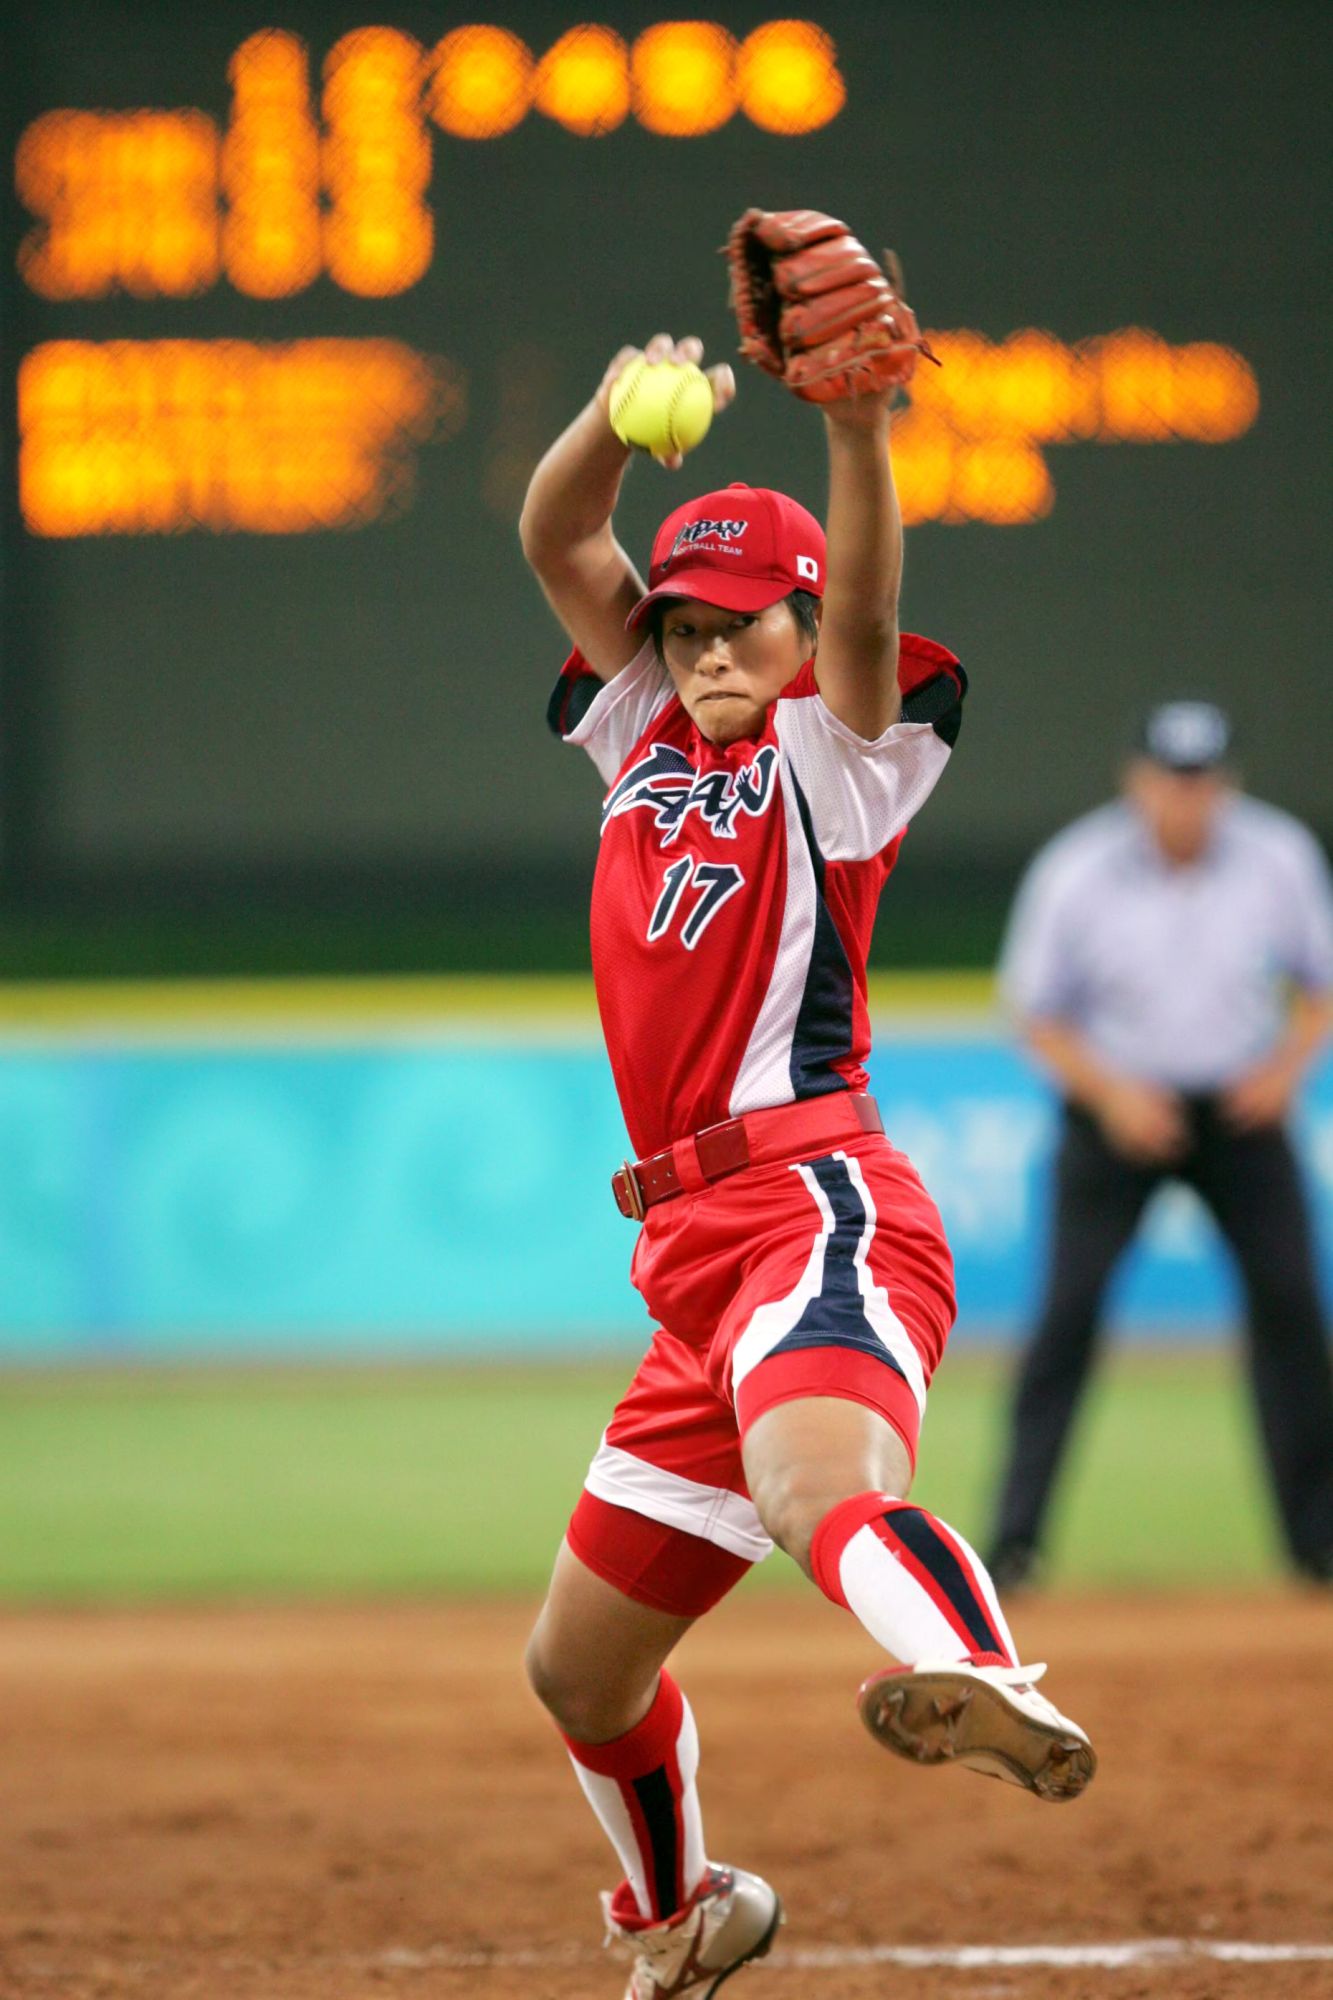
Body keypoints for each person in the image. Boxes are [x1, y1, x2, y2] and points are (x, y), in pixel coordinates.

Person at [518, 272, 1095, 2000]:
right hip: (688, 1266)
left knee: (811, 1488)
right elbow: (559, 535)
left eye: (740, 626)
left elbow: (859, 611)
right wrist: (614, 422)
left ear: (795, 633)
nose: (707, 649)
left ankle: (987, 1672)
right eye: (684, 624)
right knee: (578, 1674)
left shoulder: (828, 763)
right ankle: (680, 1914)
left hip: (811, 1209)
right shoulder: (636, 737)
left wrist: (852, 424)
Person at [988, 700, 1333, 1591]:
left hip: (1242, 1111)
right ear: (1135, 779)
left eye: (1203, 781)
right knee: (1064, 1318)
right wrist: (1111, 1094)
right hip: (1114, 1110)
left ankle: (1318, 1541)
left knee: (1291, 1311)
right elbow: (1034, 1010)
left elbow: (1322, 984)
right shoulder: (1077, 868)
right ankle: (1014, 1544)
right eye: (1172, 779)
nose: (1187, 799)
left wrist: (1283, 1070)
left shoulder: (1277, 856)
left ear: (1227, 783)